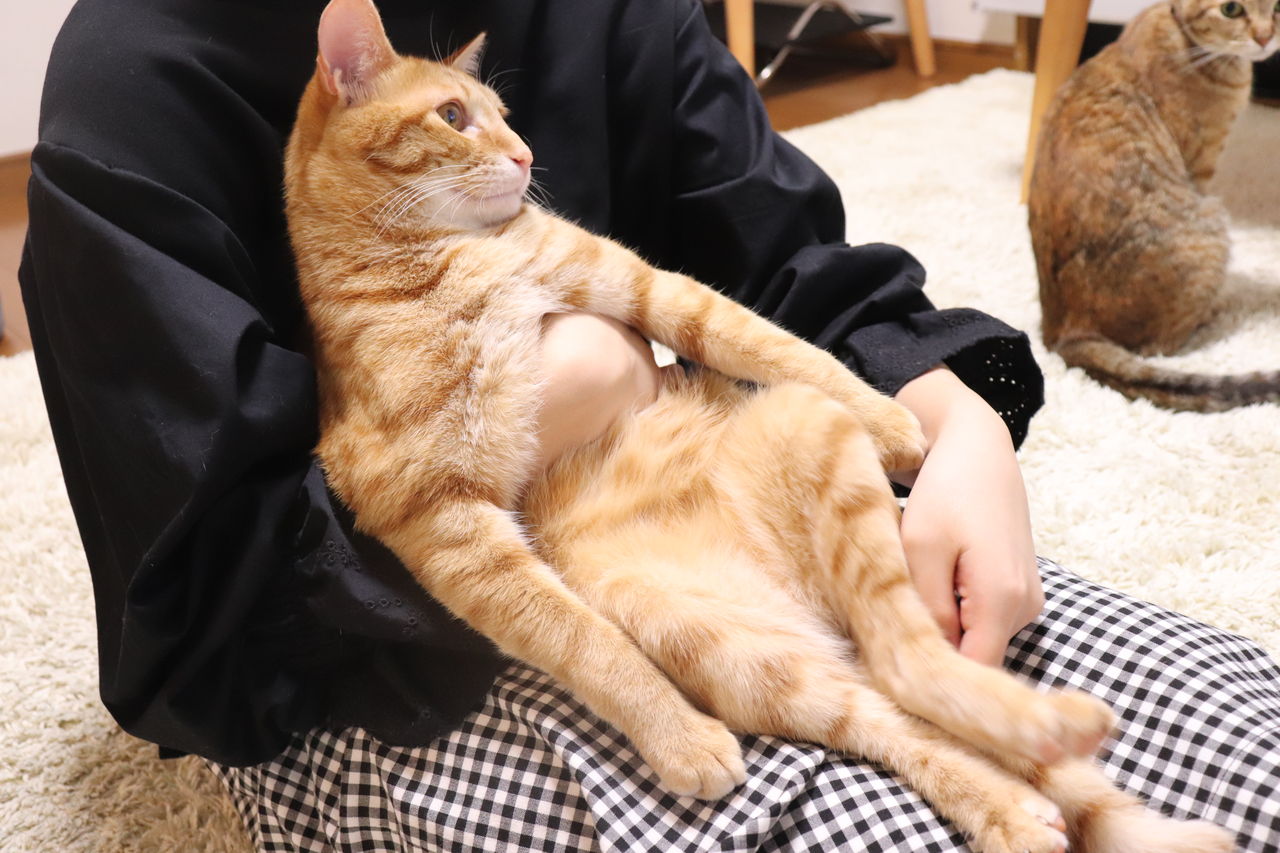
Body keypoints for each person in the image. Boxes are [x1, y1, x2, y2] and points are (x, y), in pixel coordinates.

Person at [21, 0, 1279, 850]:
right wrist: (558, 396)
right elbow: (201, 608)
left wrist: (959, 427)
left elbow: (783, 256)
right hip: (368, 655)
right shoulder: (137, 82)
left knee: (1232, 739)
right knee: (882, 813)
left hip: (695, 486)